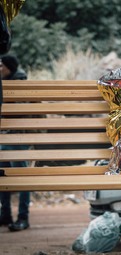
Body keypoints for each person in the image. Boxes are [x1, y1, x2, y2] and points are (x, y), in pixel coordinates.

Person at [0, 54, 30, 232]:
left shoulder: (20, 84)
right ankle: (5, 214)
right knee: (3, 176)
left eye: (1, 65)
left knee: (22, 179)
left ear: (9, 68)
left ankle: (23, 217)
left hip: (18, 139)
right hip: (4, 138)